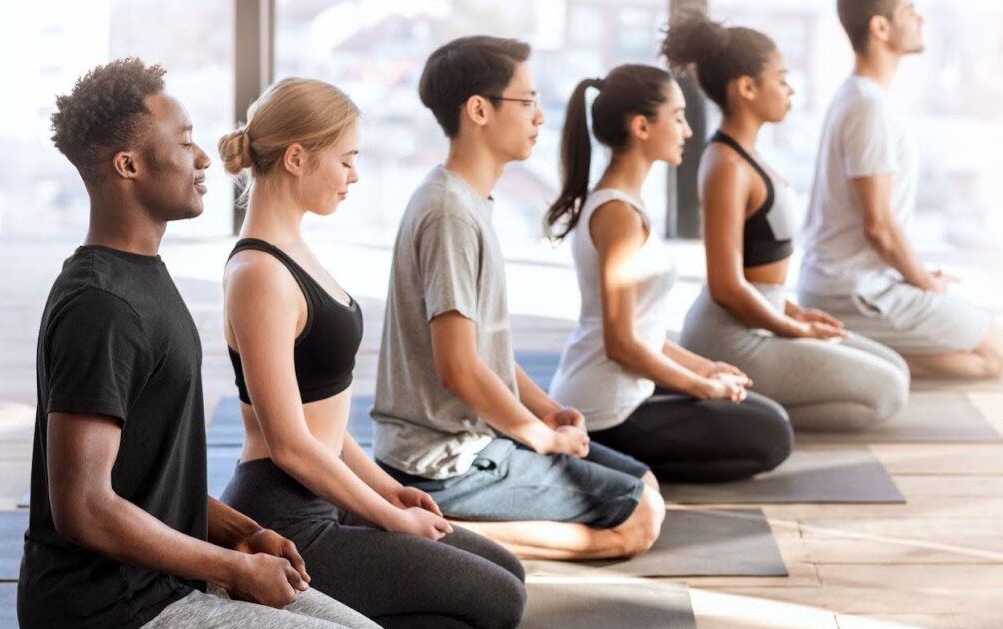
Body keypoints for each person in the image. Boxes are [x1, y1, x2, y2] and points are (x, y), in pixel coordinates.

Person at [0, 59, 405, 629]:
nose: (206, 156)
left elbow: (147, 474)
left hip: (165, 582)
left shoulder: (144, 275)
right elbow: (83, 505)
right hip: (106, 614)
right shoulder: (101, 305)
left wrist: (242, 531)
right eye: (185, 140)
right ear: (128, 165)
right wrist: (230, 570)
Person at [215, 77, 525, 629]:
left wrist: (387, 490)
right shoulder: (258, 276)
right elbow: (289, 443)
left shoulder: (295, 249)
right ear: (297, 157)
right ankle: (285, 624)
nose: (354, 176)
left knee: (510, 573)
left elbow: (324, 424)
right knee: (497, 606)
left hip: (329, 491)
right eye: (347, 160)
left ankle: (320, 617)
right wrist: (390, 520)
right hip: (288, 520)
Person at [371, 36, 665, 561]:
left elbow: (487, 354)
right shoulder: (448, 213)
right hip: (440, 461)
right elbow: (458, 368)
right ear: (479, 110)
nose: (540, 118)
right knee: (640, 518)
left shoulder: (469, 201)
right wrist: (536, 437)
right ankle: (436, 529)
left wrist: (548, 413)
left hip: (477, 440)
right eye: (527, 102)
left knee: (644, 482)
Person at [543, 63, 793, 481]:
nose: (688, 131)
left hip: (619, 391)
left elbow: (644, 334)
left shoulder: (623, 204)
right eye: (677, 118)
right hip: (608, 411)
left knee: (765, 414)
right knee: (772, 434)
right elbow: (621, 344)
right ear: (642, 126)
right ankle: (606, 466)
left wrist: (704, 368)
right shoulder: (618, 215)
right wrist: (701, 388)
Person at [661, 13, 910, 431]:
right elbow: (725, 285)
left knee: (895, 370)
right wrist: (793, 329)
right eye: (781, 78)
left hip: (762, 317)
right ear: (746, 88)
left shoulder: (749, 156)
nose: (790, 88)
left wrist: (799, 313)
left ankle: (752, 408)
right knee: (886, 394)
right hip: (730, 337)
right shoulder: (724, 163)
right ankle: (741, 412)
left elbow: (760, 273)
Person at [795, 0, 1003, 379]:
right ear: (880, 28)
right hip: (852, 295)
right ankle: (858, 358)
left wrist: (919, 276)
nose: (921, 18)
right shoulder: (867, 106)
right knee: (997, 352)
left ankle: (857, 352)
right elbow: (878, 226)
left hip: (853, 286)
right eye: (910, 11)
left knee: (986, 343)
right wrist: (924, 284)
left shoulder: (861, 97)